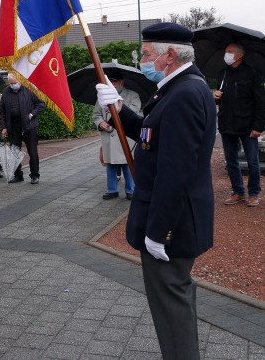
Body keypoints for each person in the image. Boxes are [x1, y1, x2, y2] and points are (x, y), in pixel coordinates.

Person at [96, 22, 215, 360]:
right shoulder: (176, 88)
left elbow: (175, 172)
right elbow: (153, 138)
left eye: (147, 54)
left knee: (171, 310)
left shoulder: (185, 93)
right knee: (174, 303)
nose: (143, 59)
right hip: (173, 220)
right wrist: (119, 108)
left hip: (171, 225)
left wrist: (158, 233)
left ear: (170, 55)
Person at [215, 43, 264, 207]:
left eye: (229, 52)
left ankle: (254, 193)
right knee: (231, 161)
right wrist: (216, 96)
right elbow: (219, 96)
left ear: (239, 55)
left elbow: (260, 101)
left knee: (252, 161)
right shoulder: (223, 73)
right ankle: (238, 191)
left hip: (247, 125)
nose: (226, 55)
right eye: (225, 51)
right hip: (227, 124)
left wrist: (258, 126)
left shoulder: (252, 74)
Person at [93, 69, 141, 200]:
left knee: (127, 163)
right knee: (110, 164)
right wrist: (100, 123)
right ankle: (112, 190)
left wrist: (117, 103)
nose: (113, 84)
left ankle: (131, 190)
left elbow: (133, 113)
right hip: (108, 136)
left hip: (125, 136)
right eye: (111, 81)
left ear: (122, 82)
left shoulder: (133, 95)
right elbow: (96, 114)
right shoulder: (102, 97)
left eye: (116, 81)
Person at [0, 73, 44, 184]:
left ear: (20, 81)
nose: (13, 85)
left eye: (15, 83)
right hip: (13, 126)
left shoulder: (30, 89)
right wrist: (3, 127)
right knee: (14, 152)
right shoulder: (6, 92)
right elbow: (2, 111)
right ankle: (18, 175)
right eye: (11, 83)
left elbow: (40, 104)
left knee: (32, 152)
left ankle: (34, 175)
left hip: (29, 125)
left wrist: (32, 114)